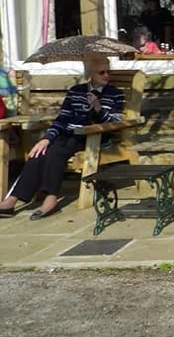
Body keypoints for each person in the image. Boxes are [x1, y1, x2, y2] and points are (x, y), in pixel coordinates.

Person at [0, 52, 124, 220]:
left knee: (56, 151)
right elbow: (62, 119)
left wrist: (98, 108)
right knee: (39, 152)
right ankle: (13, 199)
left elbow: (114, 123)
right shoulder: (76, 92)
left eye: (108, 71)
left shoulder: (114, 93)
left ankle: (51, 198)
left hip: (93, 136)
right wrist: (46, 139)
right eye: (101, 72)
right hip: (69, 134)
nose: (106, 75)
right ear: (89, 74)